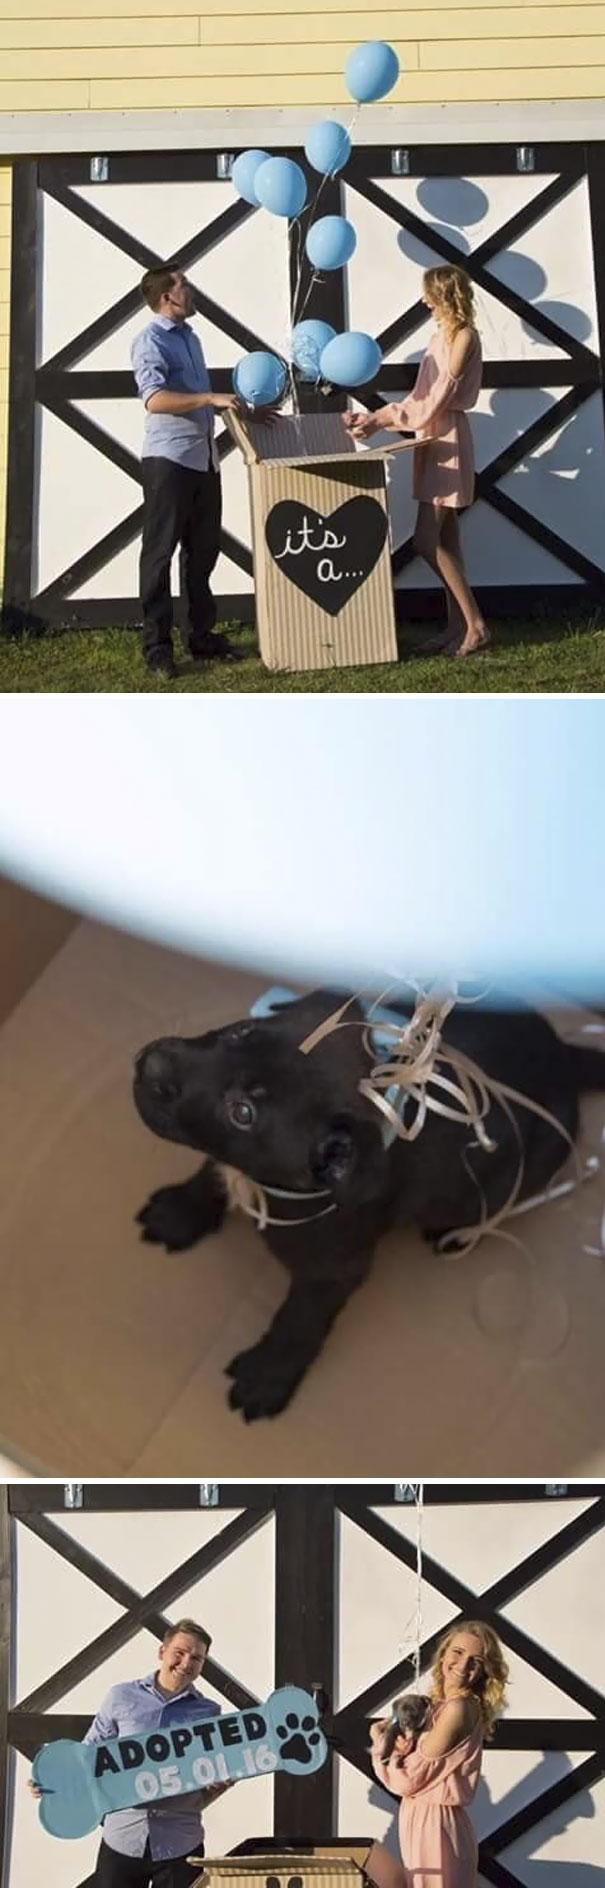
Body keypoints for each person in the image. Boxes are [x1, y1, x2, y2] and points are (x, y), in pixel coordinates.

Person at [344, 266, 488, 656]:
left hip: (448, 440)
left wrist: (382, 420)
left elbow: (440, 396)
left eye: (430, 294)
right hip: (430, 437)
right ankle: (457, 627)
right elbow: (419, 398)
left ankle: (475, 625)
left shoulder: (464, 337)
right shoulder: (436, 337)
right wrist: (377, 420)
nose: (425, 301)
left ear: (445, 294)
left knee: (426, 540)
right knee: (447, 542)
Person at [30, 1617, 228, 1888]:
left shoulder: (209, 1713)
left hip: (181, 1841)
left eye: (196, 1658)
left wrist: (220, 1781)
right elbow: (88, 1755)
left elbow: (216, 1768)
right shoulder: (120, 1697)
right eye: (179, 1653)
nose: (186, 1663)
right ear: (162, 1652)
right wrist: (54, 1781)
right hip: (122, 1837)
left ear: (202, 1665)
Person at [131, 268, 242, 678]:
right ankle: (157, 649)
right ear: (166, 298)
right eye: (184, 285)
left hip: (203, 459)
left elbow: (197, 400)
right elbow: (155, 399)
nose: (192, 290)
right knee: (159, 555)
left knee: (203, 553)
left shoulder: (191, 339)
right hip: (169, 460)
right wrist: (210, 397)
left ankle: (201, 637)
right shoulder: (150, 341)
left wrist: (233, 405)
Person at [366, 1621, 509, 1888]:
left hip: (435, 1825)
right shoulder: (444, 1706)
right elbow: (419, 1761)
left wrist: (380, 1747)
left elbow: (408, 1778)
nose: (463, 1665)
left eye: (475, 1660)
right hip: (427, 1820)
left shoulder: (457, 1709)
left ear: (484, 1671)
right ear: (443, 1653)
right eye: (457, 1652)